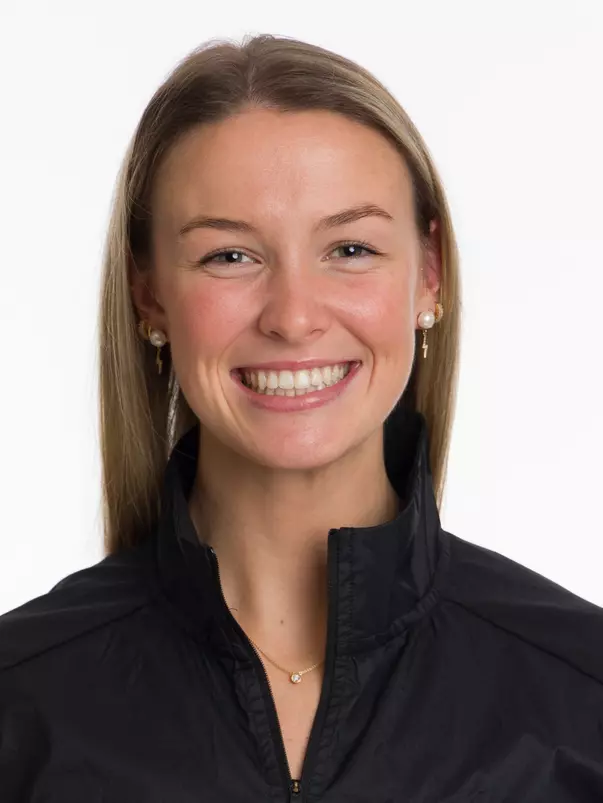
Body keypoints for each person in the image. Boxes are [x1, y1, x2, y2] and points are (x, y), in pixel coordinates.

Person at [1, 33, 602, 803]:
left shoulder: (580, 698)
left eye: (349, 248)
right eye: (229, 255)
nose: (292, 316)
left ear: (429, 276)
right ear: (149, 295)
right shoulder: (22, 707)